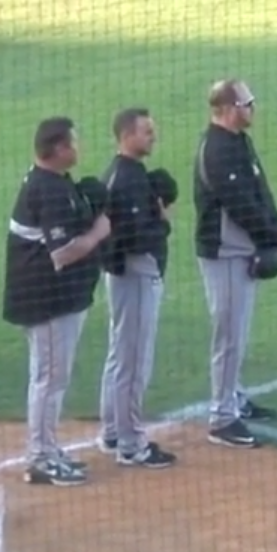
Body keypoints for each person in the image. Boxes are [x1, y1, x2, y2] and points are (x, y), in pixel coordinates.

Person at [2, 117, 109, 487]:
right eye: (74, 143)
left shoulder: (55, 182)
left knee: (52, 377)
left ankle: (48, 450)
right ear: (59, 149)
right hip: (45, 301)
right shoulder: (47, 189)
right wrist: (99, 232)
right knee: (48, 379)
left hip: (58, 298)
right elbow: (62, 253)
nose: (78, 148)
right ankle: (40, 458)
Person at [193, 79, 277, 447]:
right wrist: (271, 235)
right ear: (228, 108)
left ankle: (234, 397)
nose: (253, 108)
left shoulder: (238, 141)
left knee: (238, 332)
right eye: (248, 102)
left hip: (240, 249)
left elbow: (259, 190)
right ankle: (221, 417)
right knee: (229, 335)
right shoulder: (217, 150)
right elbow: (239, 203)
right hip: (224, 252)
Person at [94, 108, 177, 467]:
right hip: (136, 273)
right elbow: (134, 236)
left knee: (120, 354)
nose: (152, 136)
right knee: (133, 360)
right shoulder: (127, 179)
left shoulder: (120, 174)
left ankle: (113, 430)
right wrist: (163, 223)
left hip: (123, 275)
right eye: (146, 131)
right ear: (126, 135)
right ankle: (131, 443)